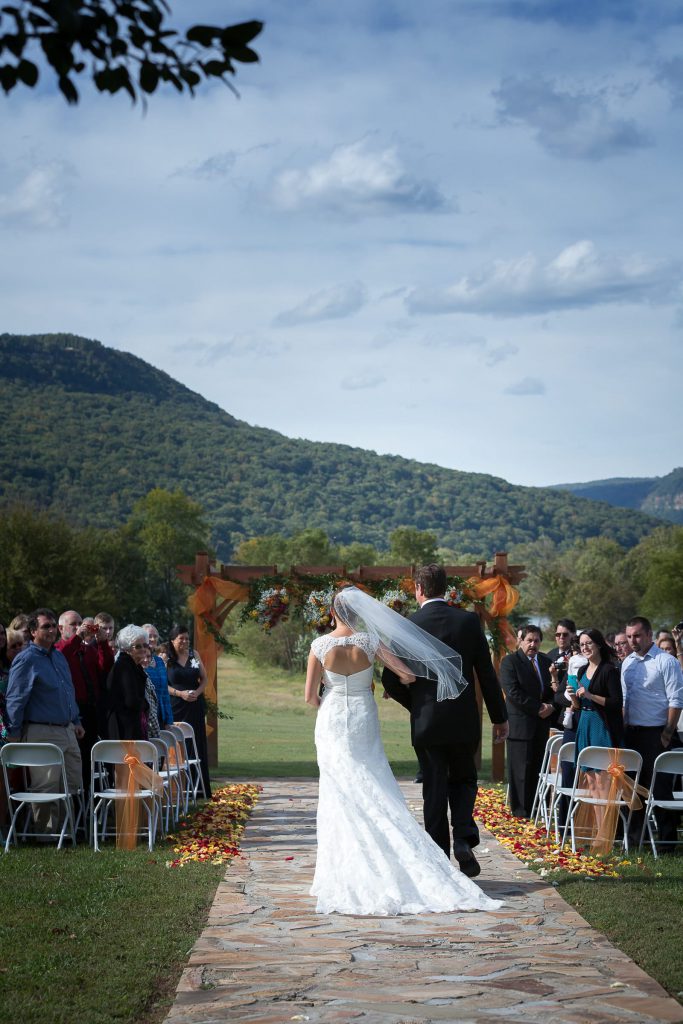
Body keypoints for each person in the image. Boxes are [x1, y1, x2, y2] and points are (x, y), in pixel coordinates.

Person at [306, 585, 503, 916]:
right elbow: (407, 675)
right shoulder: (370, 642)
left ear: (331, 613)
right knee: (373, 781)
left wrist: (332, 692)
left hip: (333, 717)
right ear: (358, 614)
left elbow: (311, 697)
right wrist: (371, 686)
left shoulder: (319, 646)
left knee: (339, 789)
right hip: (363, 715)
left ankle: (345, 868)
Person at [382, 564, 508, 879]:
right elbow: (486, 674)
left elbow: (390, 679)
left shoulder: (408, 625)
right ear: (445, 589)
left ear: (418, 590)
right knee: (464, 779)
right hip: (464, 720)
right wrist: (499, 717)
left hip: (427, 722)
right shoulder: (467, 621)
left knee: (434, 789)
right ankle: (464, 837)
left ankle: (440, 861)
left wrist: (417, 705)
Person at [5, 608, 84, 832]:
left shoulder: (58, 656)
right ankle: (47, 837)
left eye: (52, 626)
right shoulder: (26, 659)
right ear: (32, 632)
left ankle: (67, 833)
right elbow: (15, 698)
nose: (51, 630)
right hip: (41, 731)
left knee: (72, 785)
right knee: (46, 788)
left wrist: (76, 720)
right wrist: (13, 732)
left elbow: (69, 692)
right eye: (45, 627)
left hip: (67, 730)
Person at [622, 616, 683, 849]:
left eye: (637, 635)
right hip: (633, 733)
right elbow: (625, 700)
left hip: (657, 732)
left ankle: (667, 843)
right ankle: (638, 840)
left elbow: (676, 699)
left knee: (660, 789)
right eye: (629, 636)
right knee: (634, 789)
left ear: (649, 634)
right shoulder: (628, 662)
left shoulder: (666, 661)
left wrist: (668, 731)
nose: (632, 640)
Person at [500, 624, 555, 819]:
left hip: (542, 726)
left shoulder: (546, 661)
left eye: (537, 640)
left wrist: (550, 706)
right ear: (520, 641)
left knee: (538, 770)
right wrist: (538, 708)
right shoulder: (510, 662)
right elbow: (513, 692)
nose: (533, 644)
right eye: (529, 640)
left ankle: (537, 811)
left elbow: (553, 689)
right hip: (521, 726)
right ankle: (521, 813)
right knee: (521, 772)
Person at [56, 609, 114, 789]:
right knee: (76, 761)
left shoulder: (87, 650)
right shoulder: (58, 649)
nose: (78, 626)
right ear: (60, 628)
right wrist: (78, 637)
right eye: (73, 624)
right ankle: (76, 806)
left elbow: (106, 668)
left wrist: (102, 642)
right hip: (72, 712)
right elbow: (63, 655)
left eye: (80, 623)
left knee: (90, 760)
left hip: (92, 710)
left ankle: (88, 804)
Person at [166, 624, 212, 798]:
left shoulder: (194, 655)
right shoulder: (166, 658)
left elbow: (204, 679)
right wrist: (180, 694)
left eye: (186, 638)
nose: (184, 641)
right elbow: (163, 685)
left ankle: (199, 788)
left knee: (196, 743)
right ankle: (177, 787)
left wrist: (196, 694)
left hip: (194, 706)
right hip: (175, 705)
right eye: (181, 638)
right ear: (172, 640)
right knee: (176, 744)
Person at [568, 629, 623, 758]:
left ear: (598, 644)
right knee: (587, 774)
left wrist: (590, 695)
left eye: (589, 643)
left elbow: (616, 702)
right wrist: (573, 697)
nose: (585, 648)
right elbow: (578, 706)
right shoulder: (582, 670)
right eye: (582, 645)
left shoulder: (609, 670)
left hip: (602, 725)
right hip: (584, 723)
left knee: (602, 773)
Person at [105, 626, 151, 740]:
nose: (143, 649)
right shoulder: (124, 666)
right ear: (127, 648)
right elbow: (131, 701)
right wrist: (145, 705)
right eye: (138, 646)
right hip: (124, 729)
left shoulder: (134, 666)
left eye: (145, 645)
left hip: (131, 724)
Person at [142, 624, 173, 729]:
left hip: (161, 715)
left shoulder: (159, 661)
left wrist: (169, 720)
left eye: (155, 636)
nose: (152, 639)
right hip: (146, 716)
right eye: (149, 636)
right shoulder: (138, 660)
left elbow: (165, 693)